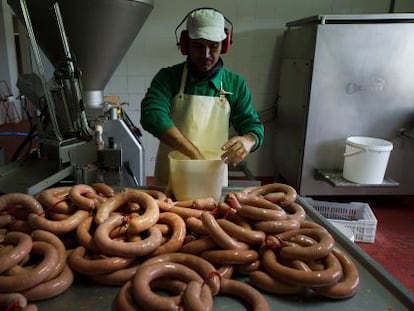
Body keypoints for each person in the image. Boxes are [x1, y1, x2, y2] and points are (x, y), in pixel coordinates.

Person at [140, 8, 264, 187]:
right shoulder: (168, 78)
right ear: (185, 44)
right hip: (171, 181)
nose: (206, 55)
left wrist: (248, 141)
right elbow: (152, 115)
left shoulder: (235, 84)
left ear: (225, 44)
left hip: (212, 180)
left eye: (213, 46)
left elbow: (253, 126)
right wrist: (194, 154)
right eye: (198, 45)